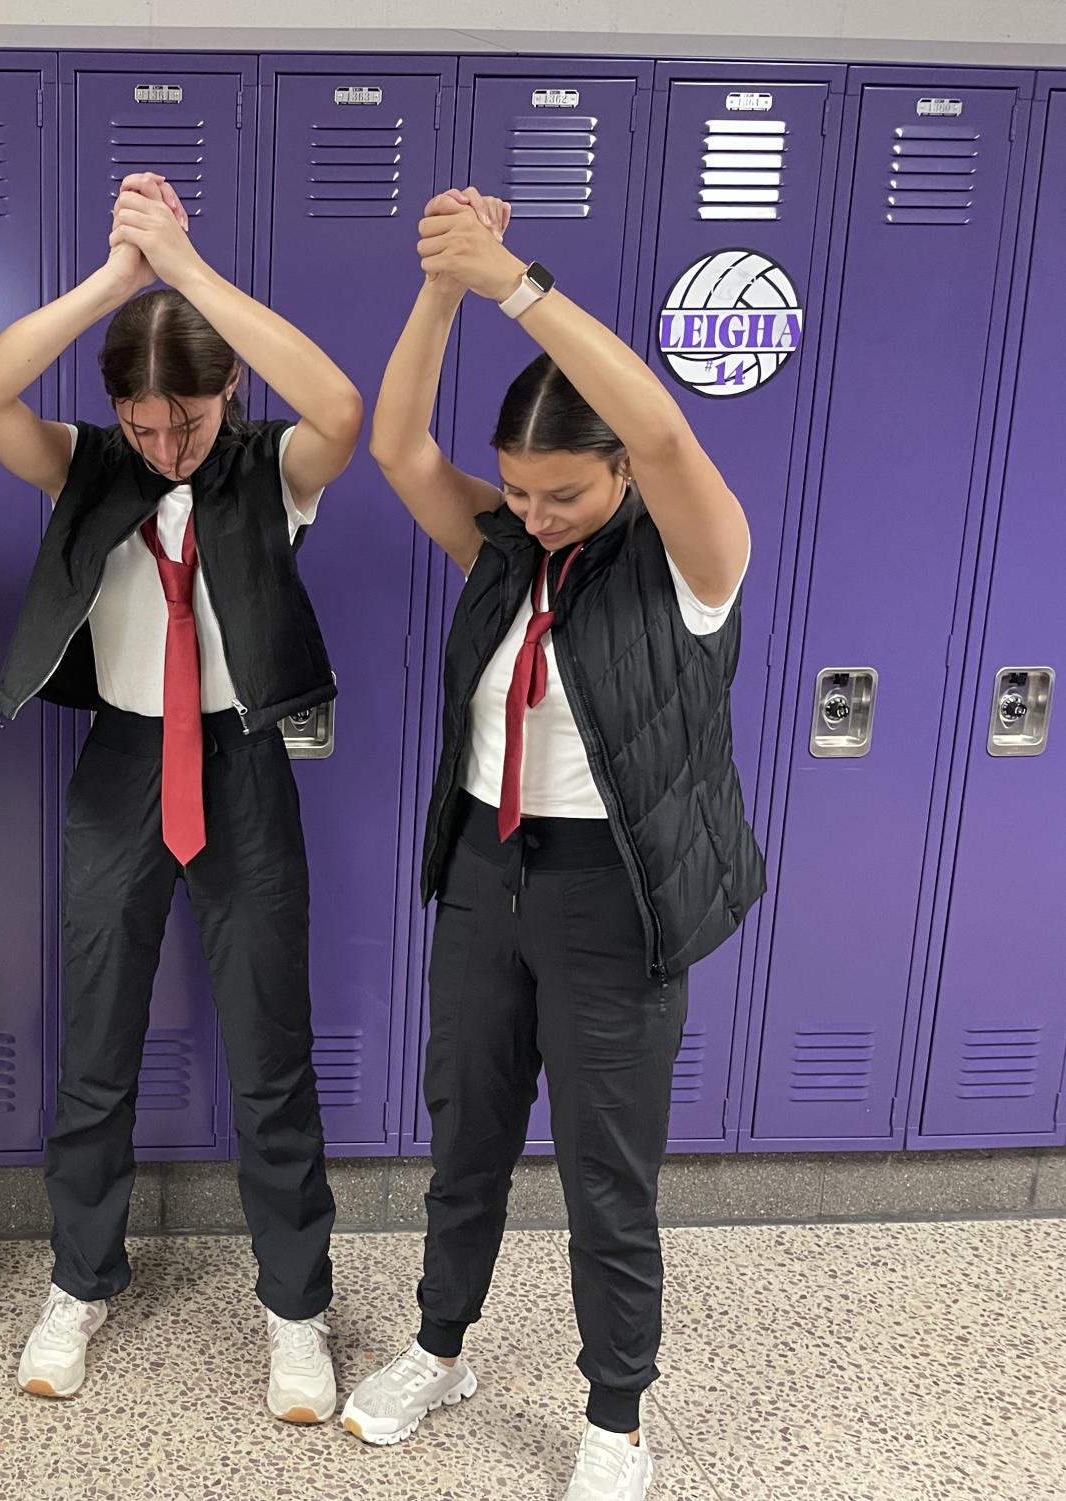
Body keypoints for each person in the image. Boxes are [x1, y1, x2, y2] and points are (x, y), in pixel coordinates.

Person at [340, 188, 764, 1501]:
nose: (534, 512)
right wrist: (440, 287)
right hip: (485, 875)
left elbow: (663, 423)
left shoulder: (692, 559)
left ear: (621, 475)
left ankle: (616, 1419)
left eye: (563, 492)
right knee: (463, 1129)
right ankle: (439, 1347)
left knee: (604, 1170)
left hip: (612, 898)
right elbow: (397, 441)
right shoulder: (501, 550)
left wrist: (516, 282)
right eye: (519, 490)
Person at [0, 171, 364, 1424]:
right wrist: (115, 284)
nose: (164, 445)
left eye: (185, 421)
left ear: (228, 392)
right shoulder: (85, 465)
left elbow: (343, 402)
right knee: (96, 1039)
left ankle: (296, 1310)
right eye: (142, 423)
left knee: (269, 1054)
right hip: (124, 769)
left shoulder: (269, 471)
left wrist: (188, 275)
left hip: (239, 768)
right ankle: (81, 1278)